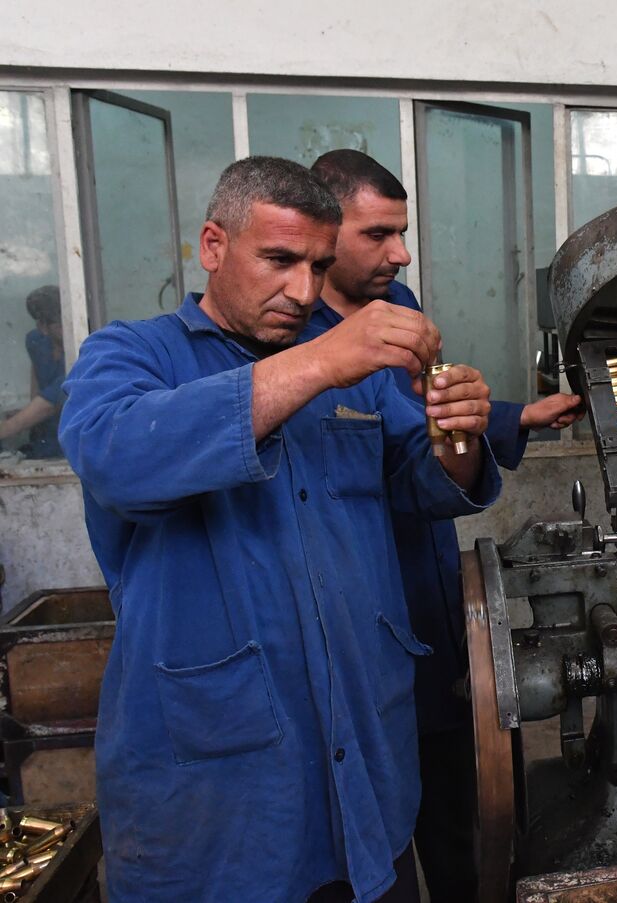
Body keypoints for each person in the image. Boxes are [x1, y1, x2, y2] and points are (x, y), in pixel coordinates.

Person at [59, 156, 503, 903]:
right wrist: (322, 358)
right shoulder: (133, 355)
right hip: (222, 803)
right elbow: (120, 458)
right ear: (213, 245)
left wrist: (455, 443)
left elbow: (410, 484)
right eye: (279, 259)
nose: (302, 290)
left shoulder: (352, 376)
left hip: (366, 763)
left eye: (318, 265)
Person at [308, 148, 582, 899]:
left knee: (462, 811)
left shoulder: (398, 304)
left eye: (402, 233)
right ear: (322, 235)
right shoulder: (297, 347)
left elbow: (427, 421)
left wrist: (512, 416)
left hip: (436, 600)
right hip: (367, 617)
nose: (398, 253)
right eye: (377, 235)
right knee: (379, 832)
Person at [0, 285, 66, 457]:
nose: (68, 326)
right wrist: (28, 413)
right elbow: (38, 381)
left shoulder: (82, 346)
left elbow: (51, 403)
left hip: (67, 439)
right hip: (43, 437)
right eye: (60, 324)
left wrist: (12, 425)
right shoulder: (36, 341)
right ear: (42, 326)